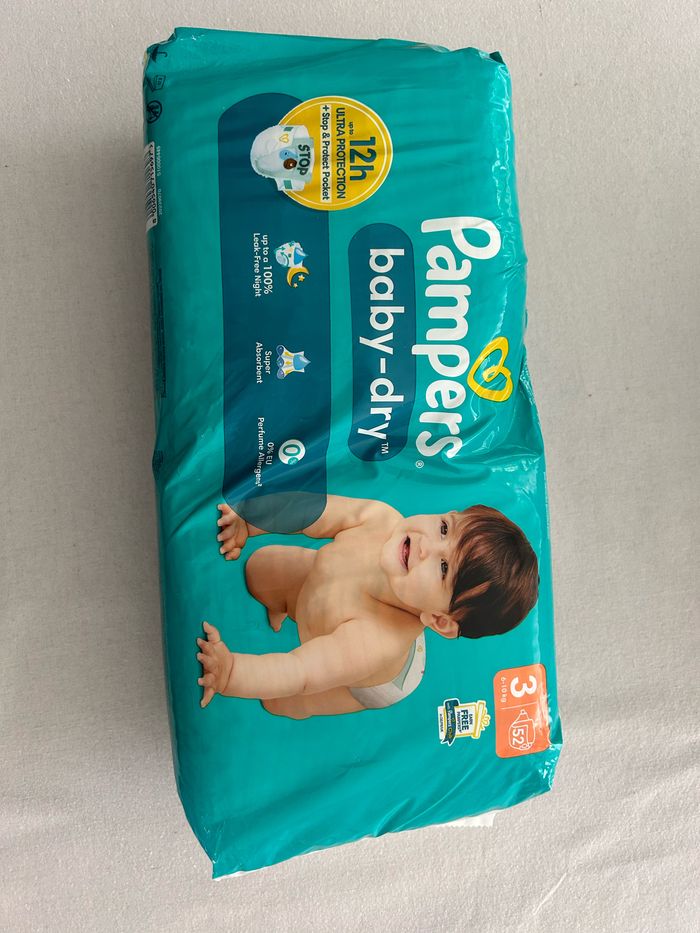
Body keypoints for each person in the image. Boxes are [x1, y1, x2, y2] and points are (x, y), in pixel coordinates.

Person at [196, 495, 538, 718]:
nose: (427, 545)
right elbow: (313, 512)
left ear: (439, 619)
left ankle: (300, 630)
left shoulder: (374, 644)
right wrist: (250, 522)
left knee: (286, 701)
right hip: (330, 589)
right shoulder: (382, 520)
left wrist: (231, 673)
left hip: (379, 680)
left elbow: (300, 673)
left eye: (444, 568)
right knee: (261, 568)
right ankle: (291, 604)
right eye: (444, 528)